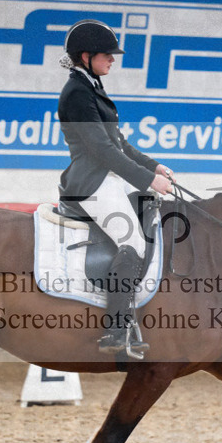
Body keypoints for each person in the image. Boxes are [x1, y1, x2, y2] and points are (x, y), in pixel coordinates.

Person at [57, 19, 174, 358]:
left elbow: (118, 142)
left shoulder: (91, 86)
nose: (113, 59)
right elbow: (102, 150)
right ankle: (117, 328)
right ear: (86, 56)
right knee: (133, 242)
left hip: (106, 177)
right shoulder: (77, 93)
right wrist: (147, 179)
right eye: (107, 55)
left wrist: (153, 165)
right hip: (89, 183)